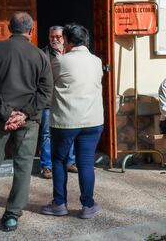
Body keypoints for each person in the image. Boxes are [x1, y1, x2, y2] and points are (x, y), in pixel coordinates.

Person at [0, 12, 53, 232]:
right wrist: (23, 114)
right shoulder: (40, 56)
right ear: (31, 31)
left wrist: (5, 113)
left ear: (10, 28)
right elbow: (45, 91)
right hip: (28, 121)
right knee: (23, 164)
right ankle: (12, 216)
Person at [41, 24, 104, 219]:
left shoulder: (59, 61)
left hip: (66, 121)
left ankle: (59, 204)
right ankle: (88, 205)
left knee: (58, 161)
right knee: (85, 162)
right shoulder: (96, 61)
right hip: (93, 121)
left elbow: (48, 83)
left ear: (67, 41)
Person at [40, 26, 77, 179]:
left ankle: (70, 162)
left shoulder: (73, 53)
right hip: (49, 101)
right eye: (51, 37)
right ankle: (47, 166)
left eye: (58, 37)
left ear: (64, 38)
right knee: (47, 134)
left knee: (70, 131)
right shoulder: (42, 54)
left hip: (69, 101)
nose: (54, 40)